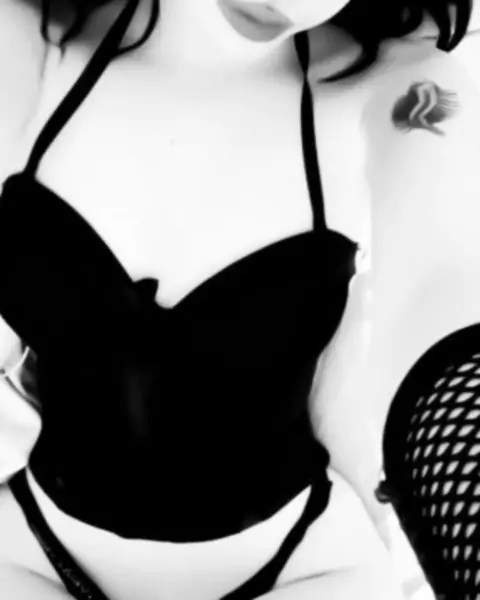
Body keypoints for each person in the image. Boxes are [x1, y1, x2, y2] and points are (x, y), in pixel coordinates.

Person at [0, 0, 475, 598]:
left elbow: (441, 293)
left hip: (305, 568)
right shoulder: (27, 46)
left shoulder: (403, 91)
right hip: (28, 553)